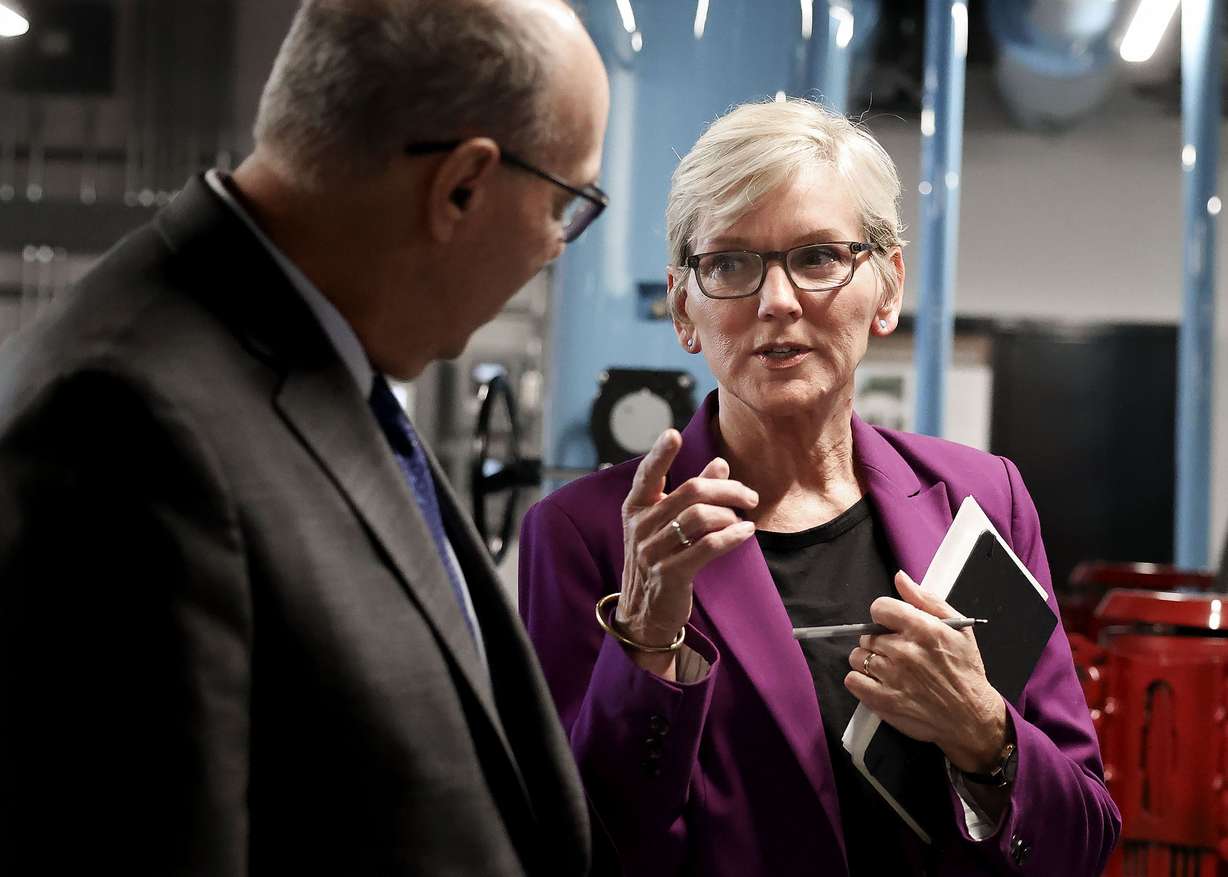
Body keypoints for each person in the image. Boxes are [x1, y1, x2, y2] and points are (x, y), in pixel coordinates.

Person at [0, 0, 609, 873]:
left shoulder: (319, 367)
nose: (555, 248)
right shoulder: (119, 427)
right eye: (566, 204)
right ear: (462, 187)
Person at [519, 98, 1120, 876]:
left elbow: (1084, 841)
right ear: (683, 308)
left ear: (888, 287)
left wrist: (984, 733)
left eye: (817, 257)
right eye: (730, 263)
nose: (776, 301)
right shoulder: (590, 536)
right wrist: (646, 641)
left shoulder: (982, 498)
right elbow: (577, 846)